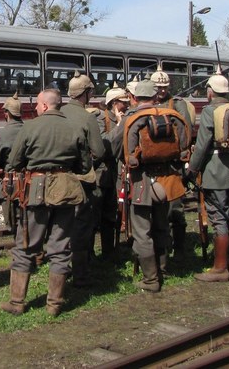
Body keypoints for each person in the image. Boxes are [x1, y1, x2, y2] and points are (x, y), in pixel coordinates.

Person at [0, 88, 91, 317]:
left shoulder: (29, 127)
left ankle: (17, 302)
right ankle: (54, 305)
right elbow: (85, 166)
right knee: (60, 246)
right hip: (66, 190)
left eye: (38, 105)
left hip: (35, 191)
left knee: (26, 245)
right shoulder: (75, 127)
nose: (37, 108)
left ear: (45, 105)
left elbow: (15, 161)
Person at [110, 79, 189, 292]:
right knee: (162, 225)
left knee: (142, 230)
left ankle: (151, 279)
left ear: (135, 99)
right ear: (156, 97)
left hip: (140, 182)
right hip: (167, 181)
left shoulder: (131, 119)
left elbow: (115, 146)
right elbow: (184, 147)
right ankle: (163, 269)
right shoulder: (174, 117)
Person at [187, 72, 229, 282]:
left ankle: (220, 267)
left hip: (215, 171)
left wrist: (192, 170)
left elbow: (202, 145)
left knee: (219, 217)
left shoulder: (210, 112)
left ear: (210, 92)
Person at [60, 71, 105, 287]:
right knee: (81, 225)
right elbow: (99, 151)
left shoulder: (56, 112)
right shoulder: (88, 117)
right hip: (80, 180)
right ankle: (81, 273)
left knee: (60, 225)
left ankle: (60, 268)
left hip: (57, 180)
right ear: (86, 94)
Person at [150, 66, 193, 261]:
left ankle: (181, 249)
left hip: (173, 164)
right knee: (156, 213)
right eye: (157, 87)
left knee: (176, 209)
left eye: (164, 87)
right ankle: (162, 249)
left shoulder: (177, 105)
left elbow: (186, 132)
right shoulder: (148, 105)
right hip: (152, 165)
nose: (161, 90)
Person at [95, 85, 130, 258]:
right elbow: (105, 145)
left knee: (111, 215)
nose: (127, 105)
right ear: (114, 103)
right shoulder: (101, 119)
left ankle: (109, 252)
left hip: (116, 173)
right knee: (97, 215)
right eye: (123, 103)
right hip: (101, 175)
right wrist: (120, 125)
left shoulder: (123, 118)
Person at [0, 93, 24, 231]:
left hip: (10, 183)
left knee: (12, 220)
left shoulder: (1, 134)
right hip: (30, 182)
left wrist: (0, 167)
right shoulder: (30, 130)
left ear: (7, 113)